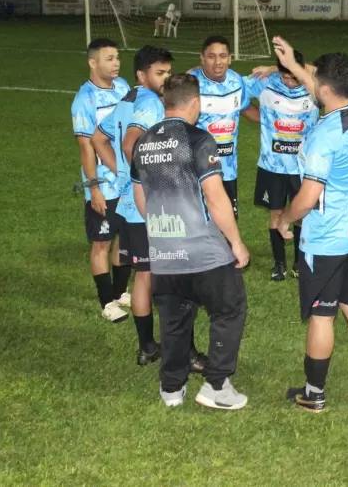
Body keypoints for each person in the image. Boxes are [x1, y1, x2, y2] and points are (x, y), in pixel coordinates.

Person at [272, 37, 348, 412]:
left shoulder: (319, 138)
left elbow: (308, 198)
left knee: (323, 312)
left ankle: (314, 393)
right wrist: (295, 64)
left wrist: (284, 220)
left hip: (329, 237)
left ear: (324, 90)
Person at [131, 73, 250, 409]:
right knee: (230, 309)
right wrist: (236, 243)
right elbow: (215, 197)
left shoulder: (143, 142)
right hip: (202, 250)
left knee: (174, 319)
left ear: (165, 103)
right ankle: (216, 385)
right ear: (195, 103)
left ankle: (171, 389)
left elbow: (142, 200)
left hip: (164, 251)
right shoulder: (198, 139)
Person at [92, 45, 172, 366]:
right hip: (145, 205)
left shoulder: (126, 101)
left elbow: (99, 138)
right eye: (160, 73)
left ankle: (147, 346)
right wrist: (146, 179)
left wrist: (121, 172)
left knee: (144, 274)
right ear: (142, 75)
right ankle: (162, 344)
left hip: (126, 205)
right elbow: (130, 143)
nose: (165, 79)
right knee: (156, 275)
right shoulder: (151, 103)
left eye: (168, 72)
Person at [244, 51, 320, 281]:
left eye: (293, 76)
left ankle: (299, 261)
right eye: (285, 76)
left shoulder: (315, 86)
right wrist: (260, 116)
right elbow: (235, 92)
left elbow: (326, 72)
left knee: (301, 213)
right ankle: (279, 264)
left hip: (303, 167)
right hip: (272, 165)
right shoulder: (265, 84)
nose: (289, 81)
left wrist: (278, 67)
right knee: (276, 212)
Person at [72, 38, 131, 323]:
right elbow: (86, 147)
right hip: (104, 185)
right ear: (93, 62)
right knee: (101, 244)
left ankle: (120, 293)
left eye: (117, 57)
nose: (116, 62)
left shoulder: (123, 88)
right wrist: (92, 188)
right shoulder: (85, 99)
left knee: (124, 238)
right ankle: (106, 302)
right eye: (109, 58)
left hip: (127, 181)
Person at [188, 36, 260, 220]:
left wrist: (274, 120)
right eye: (211, 56)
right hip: (196, 170)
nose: (218, 62)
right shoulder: (190, 84)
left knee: (226, 223)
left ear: (230, 58)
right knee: (197, 225)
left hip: (227, 169)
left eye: (222, 56)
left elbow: (245, 109)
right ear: (202, 58)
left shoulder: (236, 81)